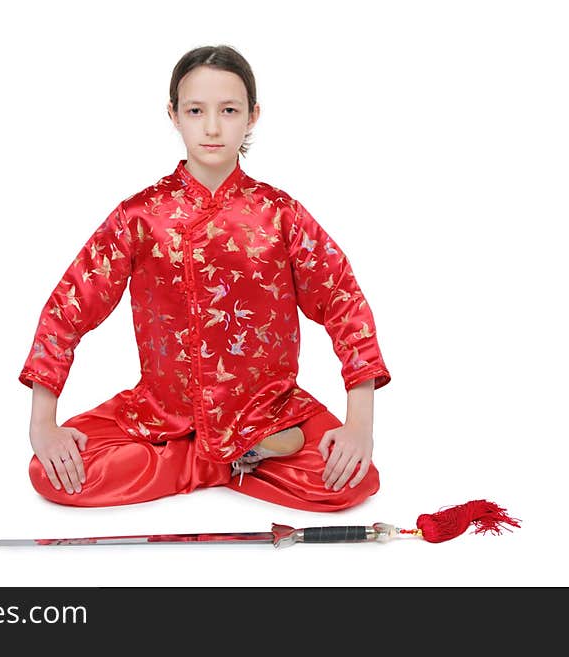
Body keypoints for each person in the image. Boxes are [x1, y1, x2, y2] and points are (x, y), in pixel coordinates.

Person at [19, 44, 391, 512]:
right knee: (50, 471)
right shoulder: (141, 215)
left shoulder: (280, 214)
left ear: (252, 116)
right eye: (196, 110)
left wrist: (359, 425)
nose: (212, 127)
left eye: (229, 110)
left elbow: (344, 303)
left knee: (354, 479)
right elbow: (69, 305)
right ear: (173, 115)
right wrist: (43, 425)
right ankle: (226, 461)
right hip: (160, 414)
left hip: (269, 412)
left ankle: (226, 453)